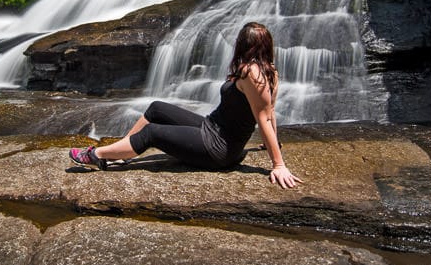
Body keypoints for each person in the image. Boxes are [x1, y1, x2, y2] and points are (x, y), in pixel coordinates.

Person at [69, 21, 303, 189]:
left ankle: (97, 155)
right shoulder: (269, 71)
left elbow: (263, 116)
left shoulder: (253, 73)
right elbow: (270, 112)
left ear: (244, 45)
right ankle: (123, 151)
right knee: (156, 108)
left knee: (152, 132)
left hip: (218, 148)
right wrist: (272, 142)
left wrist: (278, 163)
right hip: (212, 127)